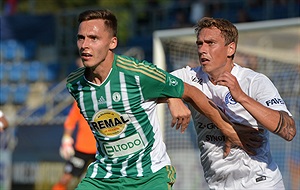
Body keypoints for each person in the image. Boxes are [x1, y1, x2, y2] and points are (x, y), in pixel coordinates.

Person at [66, 9, 258, 190]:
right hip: (103, 177)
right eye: (81, 38)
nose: (85, 45)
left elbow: (191, 92)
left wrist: (227, 129)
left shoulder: (138, 74)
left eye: (94, 38)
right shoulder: (75, 84)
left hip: (149, 177)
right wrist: (170, 98)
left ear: (113, 42)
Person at [170, 17, 296, 189]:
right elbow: (154, 81)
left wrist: (242, 97)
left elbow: (289, 131)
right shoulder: (190, 77)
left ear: (231, 48)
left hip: (260, 182)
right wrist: (173, 98)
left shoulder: (254, 81)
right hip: (218, 184)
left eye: (210, 43)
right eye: (199, 44)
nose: (202, 50)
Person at [52, 101, 97, 190]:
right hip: (83, 147)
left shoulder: (108, 97)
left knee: (110, 178)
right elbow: (70, 121)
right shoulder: (81, 99)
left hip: (103, 148)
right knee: (66, 178)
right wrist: (66, 140)